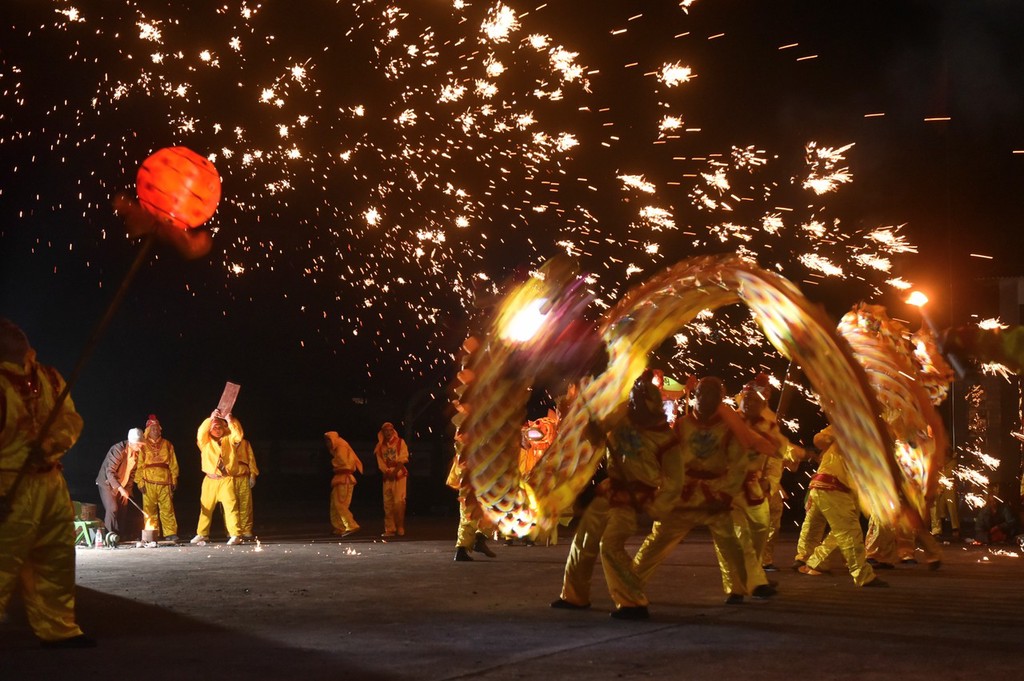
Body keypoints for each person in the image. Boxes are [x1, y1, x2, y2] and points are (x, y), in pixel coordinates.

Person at [633, 377, 772, 605]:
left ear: (720, 399)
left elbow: (738, 464)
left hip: (715, 494)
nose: (707, 400)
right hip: (684, 494)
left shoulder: (729, 428)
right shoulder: (681, 425)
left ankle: (739, 587)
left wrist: (727, 494)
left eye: (714, 396)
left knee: (731, 542)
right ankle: (630, 583)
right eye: (703, 394)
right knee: (657, 541)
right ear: (696, 395)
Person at [0, 317, 93, 648]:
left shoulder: (49, 378)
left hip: (50, 482)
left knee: (55, 559)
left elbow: (70, 419)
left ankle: (58, 628)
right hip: (7, 484)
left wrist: (52, 444)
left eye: (16, 328)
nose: (13, 330)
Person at [596, 370, 686, 620]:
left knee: (610, 544)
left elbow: (675, 477)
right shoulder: (623, 420)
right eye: (633, 399)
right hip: (613, 490)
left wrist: (659, 506)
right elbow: (598, 427)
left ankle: (633, 600)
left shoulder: (665, 438)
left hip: (638, 494)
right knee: (592, 541)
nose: (635, 404)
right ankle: (579, 594)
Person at [797, 425, 887, 587]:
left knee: (817, 526)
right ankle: (862, 575)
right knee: (848, 531)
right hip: (834, 485)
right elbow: (819, 440)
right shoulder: (849, 424)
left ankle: (811, 560)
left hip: (826, 485)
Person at [192, 409, 242, 545]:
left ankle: (235, 534)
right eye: (214, 427)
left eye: (220, 426)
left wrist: (230, 420)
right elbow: (200, 432)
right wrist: (210, 418)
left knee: (230, 508)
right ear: (210, 429)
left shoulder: (229, 439)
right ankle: (202, 534)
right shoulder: (205, 442)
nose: (218, 429)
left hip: (226, 480)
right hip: (210, 480)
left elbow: (238, 435)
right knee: (205, 508)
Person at [95, 427, 144, 545]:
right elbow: (109, 472)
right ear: (131, 442)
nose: (141, 446)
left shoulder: (136, 454)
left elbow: (131, 474)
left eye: (141, 444)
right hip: (107, 483)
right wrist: (120, 489)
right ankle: (109, 536)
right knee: (113, 508)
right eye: (138, 444)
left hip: (123, 484)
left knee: (123, 507)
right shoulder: (118, 449)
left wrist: (127, 490)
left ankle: (119, 536)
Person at [135, 414, 180, 542]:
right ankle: (152, 533)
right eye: (152, 429)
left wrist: (174, 478)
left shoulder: (168, 444)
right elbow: (139, 466)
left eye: (157, 428)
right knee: (149, 510)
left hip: (165, 481)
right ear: (148, 431)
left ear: (160, 429)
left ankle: (170, 533)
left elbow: (173, 463)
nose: (155, 431)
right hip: (148, 482)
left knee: (167, 509)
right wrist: (139, 482)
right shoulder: (143, 446)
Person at [326, 431, 363, 537]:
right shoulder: (338, 448)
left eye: (329, 441)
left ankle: (351, 525)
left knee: (340, 504)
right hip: (339, 478)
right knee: (335, 504)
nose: (328, 444)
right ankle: (340, 526)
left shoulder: (342, 447)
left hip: (345, 479)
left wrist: (334, 463)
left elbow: (344, 463)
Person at [375, 422, 409, 537]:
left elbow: (403, 458)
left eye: (390, 430)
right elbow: (381, 463)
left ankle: (400, 527)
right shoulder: (380, 446)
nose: (388, 433)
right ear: (382, 432)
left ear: (393, 431)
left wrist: (395, 471)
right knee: (387, 504)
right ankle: (390, 528)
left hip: (399, 475)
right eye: (385, 431)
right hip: (387, 476)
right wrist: (386, 472)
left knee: (399, 502)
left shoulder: (400, 442)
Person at [232, 434, 259, 542]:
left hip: (243, 477)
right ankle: (232, 530)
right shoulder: (223, 442)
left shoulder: (245, 443)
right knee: (230, 505)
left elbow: (251, 459)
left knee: (245, 504)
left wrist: (253, 475)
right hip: (229, 478)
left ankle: (246, 530)